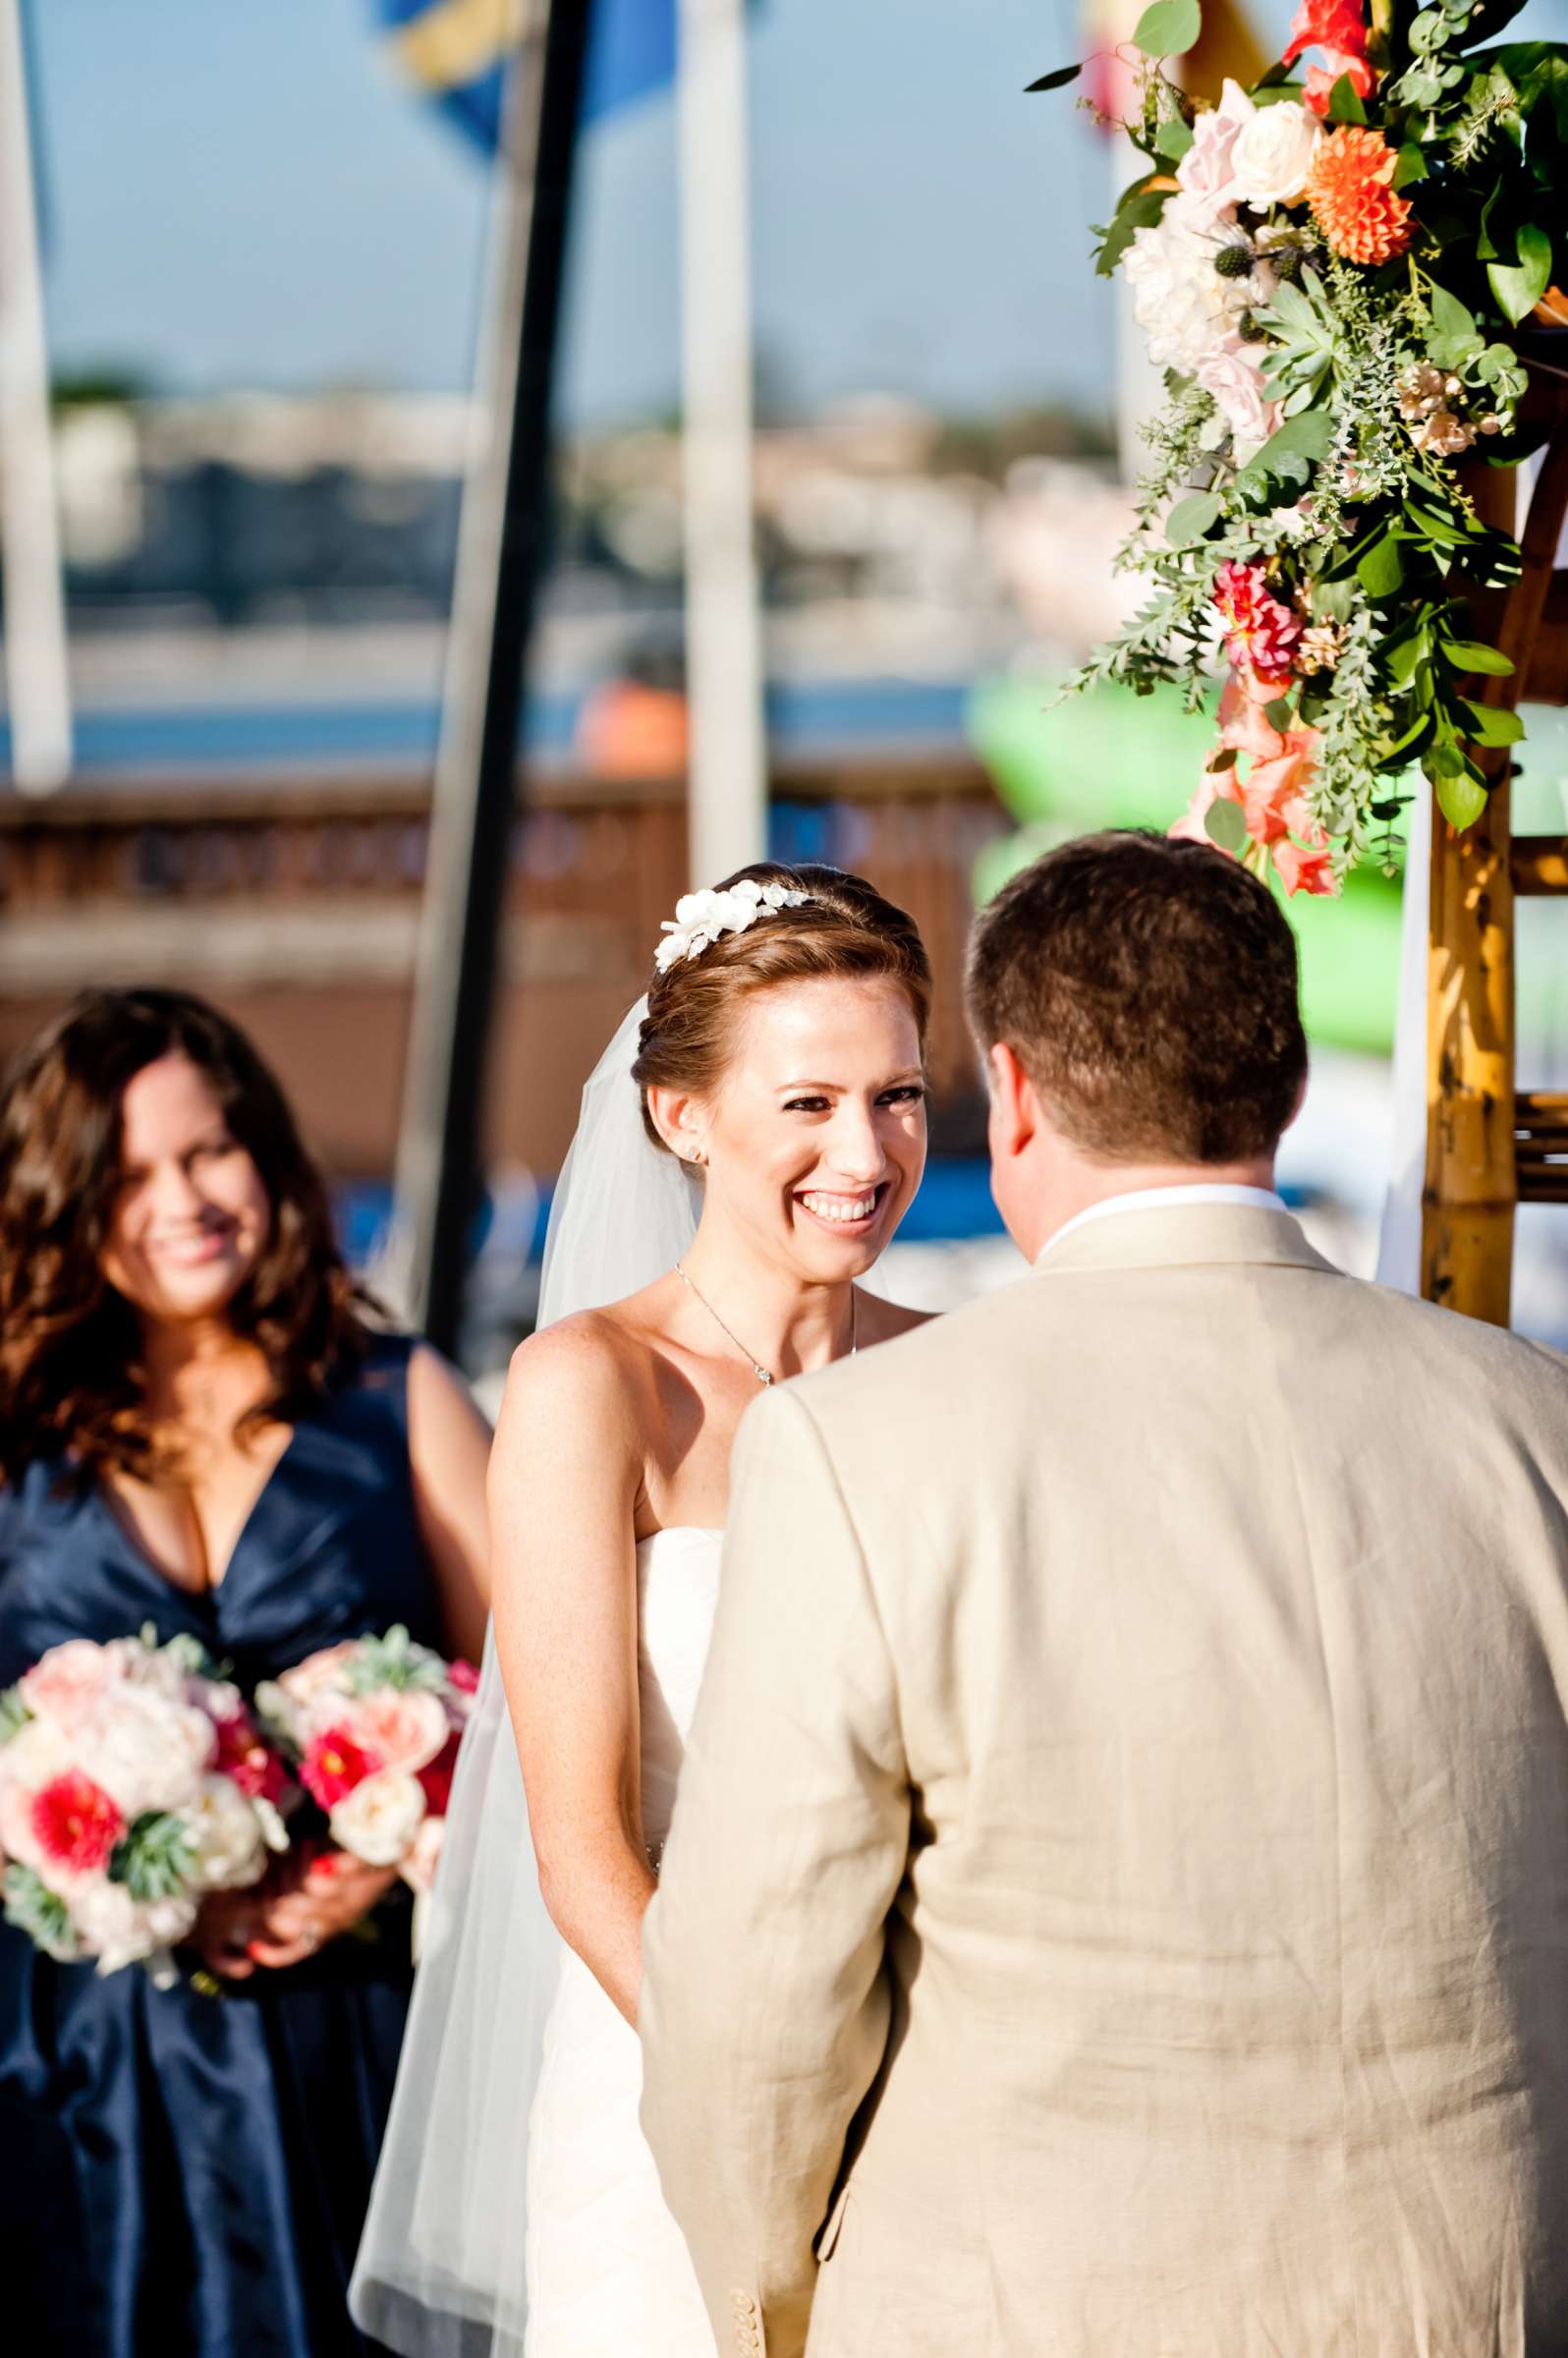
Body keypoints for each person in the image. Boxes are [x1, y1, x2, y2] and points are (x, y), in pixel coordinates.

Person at [641, 829, 1568, 2358]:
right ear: (1277, 1081)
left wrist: (777, 2316)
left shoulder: (862, 1450)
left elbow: (755, 2007)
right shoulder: (1533, 1422)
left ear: (1005, 1092)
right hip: (1479, 2300)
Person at [352, 862, 932, 2358]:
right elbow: (582, 1849)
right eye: (806, 1104)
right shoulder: (592, 1389)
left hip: (934, 2097)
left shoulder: (953, 1375)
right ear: (684, 1118)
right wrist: (764, 2100)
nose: (863, 1151)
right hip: (663, 2083)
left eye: (898, 1095)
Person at [0, 986, 490, 2358]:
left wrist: (380, 1857)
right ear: (66, 1200)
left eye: (211, 1150)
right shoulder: (14, 1442)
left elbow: (535, 1701)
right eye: (131, 1172)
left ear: (266, 1155)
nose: (184, 1198)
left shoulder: (399, 1401)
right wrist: (73, 1860)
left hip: (361, 2044)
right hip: (86, 2073)